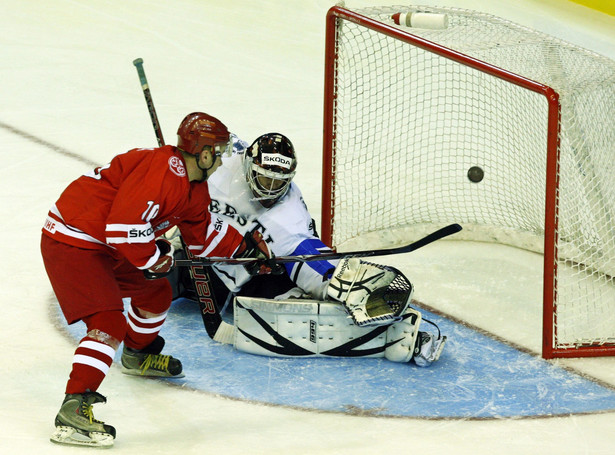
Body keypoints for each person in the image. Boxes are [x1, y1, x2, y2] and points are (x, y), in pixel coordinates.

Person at [41, 112, 275, 448]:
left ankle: (138, 354)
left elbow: (202, 237)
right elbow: (122, 228)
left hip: (107, 244)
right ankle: (74, 407)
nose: (222, 159)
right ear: (205, 153)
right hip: (73, 238)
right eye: (219, 152)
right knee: (108, 323)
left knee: (154, 294)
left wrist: (244, 248)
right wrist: (154, 258)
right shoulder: (162, 172)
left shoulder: (194, 188)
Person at [167, 132, 446, 367]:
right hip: (191, 256)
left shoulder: (288, 215)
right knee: (148, 273)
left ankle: (391, 334)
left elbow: (307, 254)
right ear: (249, 165)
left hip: (244, 278)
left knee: (294, 309)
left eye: (280, 182)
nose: (271, 190)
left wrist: (339, 280)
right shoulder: (224, 162)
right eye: (266, 180)